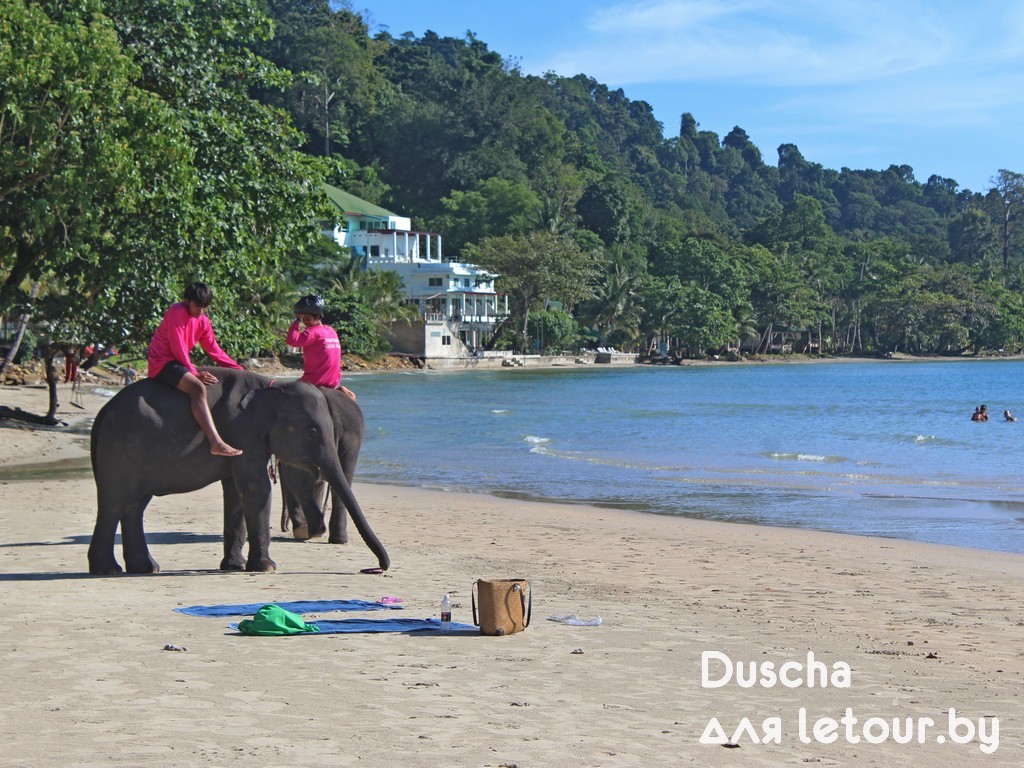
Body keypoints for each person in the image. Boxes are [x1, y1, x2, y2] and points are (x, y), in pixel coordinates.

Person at [148, 282, 244, 456]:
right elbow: (178, 347)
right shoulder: (177, 311)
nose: (201, 311)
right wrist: (194, 373)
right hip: (162, 362)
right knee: (197, 387)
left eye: (205, 307)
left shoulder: (203, 321)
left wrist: (239, 369)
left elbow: (214, 350)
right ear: (186, 301)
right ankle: (216, 442)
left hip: (178, 362)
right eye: (198, 306)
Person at [286, 294, 355, 400]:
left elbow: (292, 340)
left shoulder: (312, 332)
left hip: (314, 382)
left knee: (285, 392)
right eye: (303, 318)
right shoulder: (331, 331)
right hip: (333, 383)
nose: (304, 321)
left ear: (318, 317)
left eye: (307, 318)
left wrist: (297, 320)